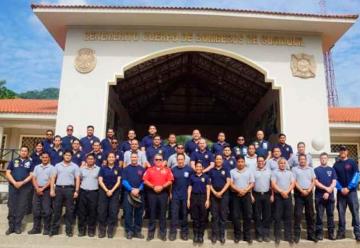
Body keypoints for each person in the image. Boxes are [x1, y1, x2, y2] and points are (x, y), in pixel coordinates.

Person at [49, 150, 80, 237]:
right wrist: (52, 189)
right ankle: (54, 230)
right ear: (63, 156)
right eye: (66, 155)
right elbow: (53, 178)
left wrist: (76, 191)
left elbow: (77, 179)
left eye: (69, 155)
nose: (67, 157)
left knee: (69, 211)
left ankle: (69, 230)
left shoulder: (75, 166)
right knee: (57, 210)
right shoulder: (57, 165)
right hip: (58, 189)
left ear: (71, 156)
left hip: (69, 189)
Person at [143, 153, 174, 241]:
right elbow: (145, 180)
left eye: (160, 159)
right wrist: (153, 187)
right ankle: (150, 234)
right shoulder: (149, 170)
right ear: (154, 160)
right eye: (156, 159)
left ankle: (163, 234)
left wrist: (162, 187)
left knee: (162, 214)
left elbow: (170, 181)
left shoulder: (167, 170)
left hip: (163, 194)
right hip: (152, 193)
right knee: (152, 213)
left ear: (163, 160)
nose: (158, 161)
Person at [5, 146, 34, 235]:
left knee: (21, 207)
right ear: (20, 152)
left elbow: (31, 175)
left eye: (25, 151)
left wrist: (22, 182)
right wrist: (14, 182)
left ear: (27, 152)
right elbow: (7, 173)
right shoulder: (13, 161)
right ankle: (11, 227)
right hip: (13, 187)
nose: (24, 152)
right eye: (22, 151)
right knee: (12, 206)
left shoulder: (30, 162)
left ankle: (18, 226)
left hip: (25, 188)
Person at [333, 145, 360, 241]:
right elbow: (334, 178)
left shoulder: (352, 162)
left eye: (344, 150)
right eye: (341, 150)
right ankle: (341, 233)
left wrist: (348, 188)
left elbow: (357, 175)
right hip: (341, 193)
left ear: (347, 152)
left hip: (351, 192)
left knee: (355, 213)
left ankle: (358, 233)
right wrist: (340, 188)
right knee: (341, 213)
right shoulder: (336, 164)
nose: (342, 152)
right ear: (339, 152)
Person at [292, 154, 317, 243]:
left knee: (310, 215)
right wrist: (302, 190)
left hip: (309, 193)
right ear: (298, 160)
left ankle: (311, 235)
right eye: (301, 159)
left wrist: (309, 190)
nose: (302, 161)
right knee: (297, 215)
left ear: (306, 160)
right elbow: (294, 182)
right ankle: (297, 236)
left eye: (304, 159)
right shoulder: (294, 169)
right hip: (299, 194)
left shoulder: (310, 169)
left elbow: (313, 180)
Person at [28, 152, 54, 235]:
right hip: (37, 190)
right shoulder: (37, 167)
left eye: (46, 157)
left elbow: (51, 180)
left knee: (46, 211)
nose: (45, 159)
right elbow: (34, 178)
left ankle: (46, 229)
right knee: (36, 210)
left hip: (46, 190)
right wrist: (37, 188)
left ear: (49, 158)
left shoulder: (52, 168)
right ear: (41, 158)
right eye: (43, 157)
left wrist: (42, 188)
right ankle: (36, 228)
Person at [230, 155, 254, 244]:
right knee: (236, 216)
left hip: (246, 195)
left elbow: (252, 183)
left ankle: (247, 236)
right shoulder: (232, 171)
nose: (240, 163)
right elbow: (231, 184)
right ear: (236, 162)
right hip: (236, 196)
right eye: (239, 162)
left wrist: (245, 191)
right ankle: (237, 235)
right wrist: (239, 190)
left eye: (242, 162)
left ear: (244, 162)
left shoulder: (249, 171)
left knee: (247, 216)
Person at [271, 157, 295, 245]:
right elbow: (273, 184)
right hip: (278, 196)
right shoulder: (274, 172)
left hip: (287, 196)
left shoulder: (290, 173)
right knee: (277, 217)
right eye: (281, 163)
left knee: (288, 217)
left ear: (286, 164)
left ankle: (288, 236)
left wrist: (287, 192)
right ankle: (277, 236)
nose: (282, 164)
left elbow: (293, 183)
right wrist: (281, 192)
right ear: (278, 164)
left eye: (284, 163)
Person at [97, 152, 122, 238]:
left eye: (113, 157)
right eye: (109, 157)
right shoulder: (103, 168)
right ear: (107, 158)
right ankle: (102, 231)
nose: (111, 158)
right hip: (104, 192)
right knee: (102, 212)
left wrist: (111, 190)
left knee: (113, 212)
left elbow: (118, 181)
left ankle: (110, 231)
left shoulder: (118, 168)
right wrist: (107, 190)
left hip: (114, 192)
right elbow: (100, 181)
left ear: (115, 159)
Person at [122, 152, 146, 239]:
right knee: (128, 213)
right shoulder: (126, 169)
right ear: (130, 158)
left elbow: (144, 181)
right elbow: (124, 181)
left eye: (135, 157)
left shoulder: (142, 169)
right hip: (128, 193)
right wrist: (131, 189)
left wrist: (138, 189)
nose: (134, 159)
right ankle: (129, 231)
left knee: (138, 213)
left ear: (138, 158)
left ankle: (137, 231)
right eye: (132, 157)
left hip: (139, 194)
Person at [169, 153, 193, 241]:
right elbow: (171, 183)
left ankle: (184, 233)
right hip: (175, 195)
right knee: (174, 215)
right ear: (176, 160)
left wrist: (189, 198)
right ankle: (173, 233)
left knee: (184, 214)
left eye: (181, 159)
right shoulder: (173, 169)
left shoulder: (189, 170)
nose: (180, 161)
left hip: (185, 196)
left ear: (184, 160)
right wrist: (170, 193)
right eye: (178, 159)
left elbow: (191, 184)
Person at [314, 152, 337, 240]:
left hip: (330, 197)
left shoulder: (332, 170)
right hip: (319, 197)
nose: (323, 159)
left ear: (327, 159)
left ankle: (331, 234)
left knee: (330, 215)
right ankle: (319, 234)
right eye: (322, 158)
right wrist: (326, 189)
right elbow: (316, 182)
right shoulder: (316, 170)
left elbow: (334, 181)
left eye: (325, 158)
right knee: (319, 215)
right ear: (320, 159)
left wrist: (329, 190)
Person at [208, 154, 231, 244]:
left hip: (224, 194)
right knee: (214, 216)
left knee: (223, 216)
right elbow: (209, 183)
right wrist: (214, 192)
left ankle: (222, 235)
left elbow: (228, 182)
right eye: (217, 159)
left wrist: (221, 192)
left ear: (222, 160)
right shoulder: (211, 170)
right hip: (214, 195)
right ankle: (214, 235)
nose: (218, 160)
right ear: (215, 160)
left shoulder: (226, 170)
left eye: (220, 159)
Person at [187, 161, 210, 244]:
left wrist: (207, 200)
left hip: (203, 197)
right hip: (194, 197)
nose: (198, 168)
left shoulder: (206, 177)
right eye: (197, 166)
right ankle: (195, 235)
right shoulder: (192, 177)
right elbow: (189, 188)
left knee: (202, 218)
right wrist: (188, 199)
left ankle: (201, 235)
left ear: (203, 168)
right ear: (195, 167)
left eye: (200, 166)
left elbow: (208, 188)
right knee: (195, 218)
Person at [77, 153, 100, 237]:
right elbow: (79, 179)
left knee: (92, 212)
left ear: (94, 160)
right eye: (88, 159)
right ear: (86, 160)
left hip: (94, 192)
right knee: (82, 212)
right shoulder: (82, 169)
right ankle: (81, 230)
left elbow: (99, 180)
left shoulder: (98, 169)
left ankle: (91, 230)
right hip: (83, 192)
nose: (90, 160)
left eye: (92, 159)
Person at [253, 156, 273, 242]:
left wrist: (272, 195)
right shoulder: (253, 172)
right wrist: (251, 195)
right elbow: (251, 184)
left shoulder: (269, 172)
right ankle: (259, 235)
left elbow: (272, 185)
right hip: (256, 195)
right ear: (257, 162)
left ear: (264, 162)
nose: (260, 162)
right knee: (257, 215)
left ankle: (266, 234)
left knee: (267, 215)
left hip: (267, 195)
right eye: (259, 161)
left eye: (262, 161)